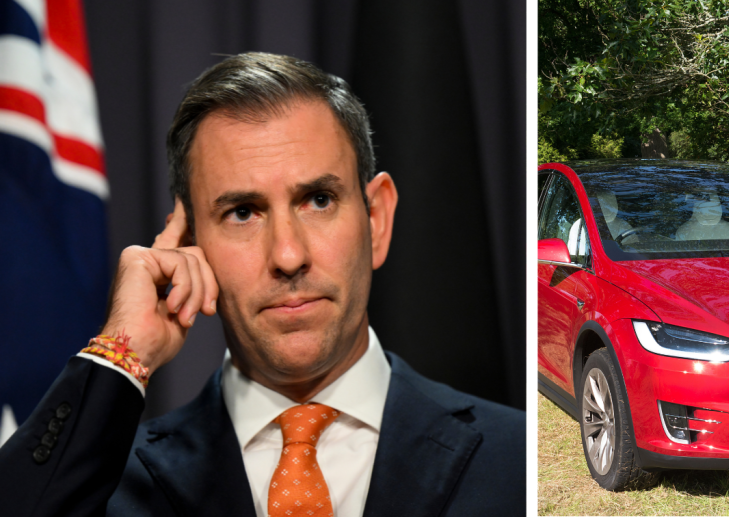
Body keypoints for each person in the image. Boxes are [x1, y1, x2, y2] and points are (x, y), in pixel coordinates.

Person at [0, 52, 524, 517]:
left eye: (318, 200)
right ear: (186, 242)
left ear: (376, 221)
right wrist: (123, 350)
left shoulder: (518, 461)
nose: (288, 256)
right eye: (243, 212)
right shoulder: (108, 484)